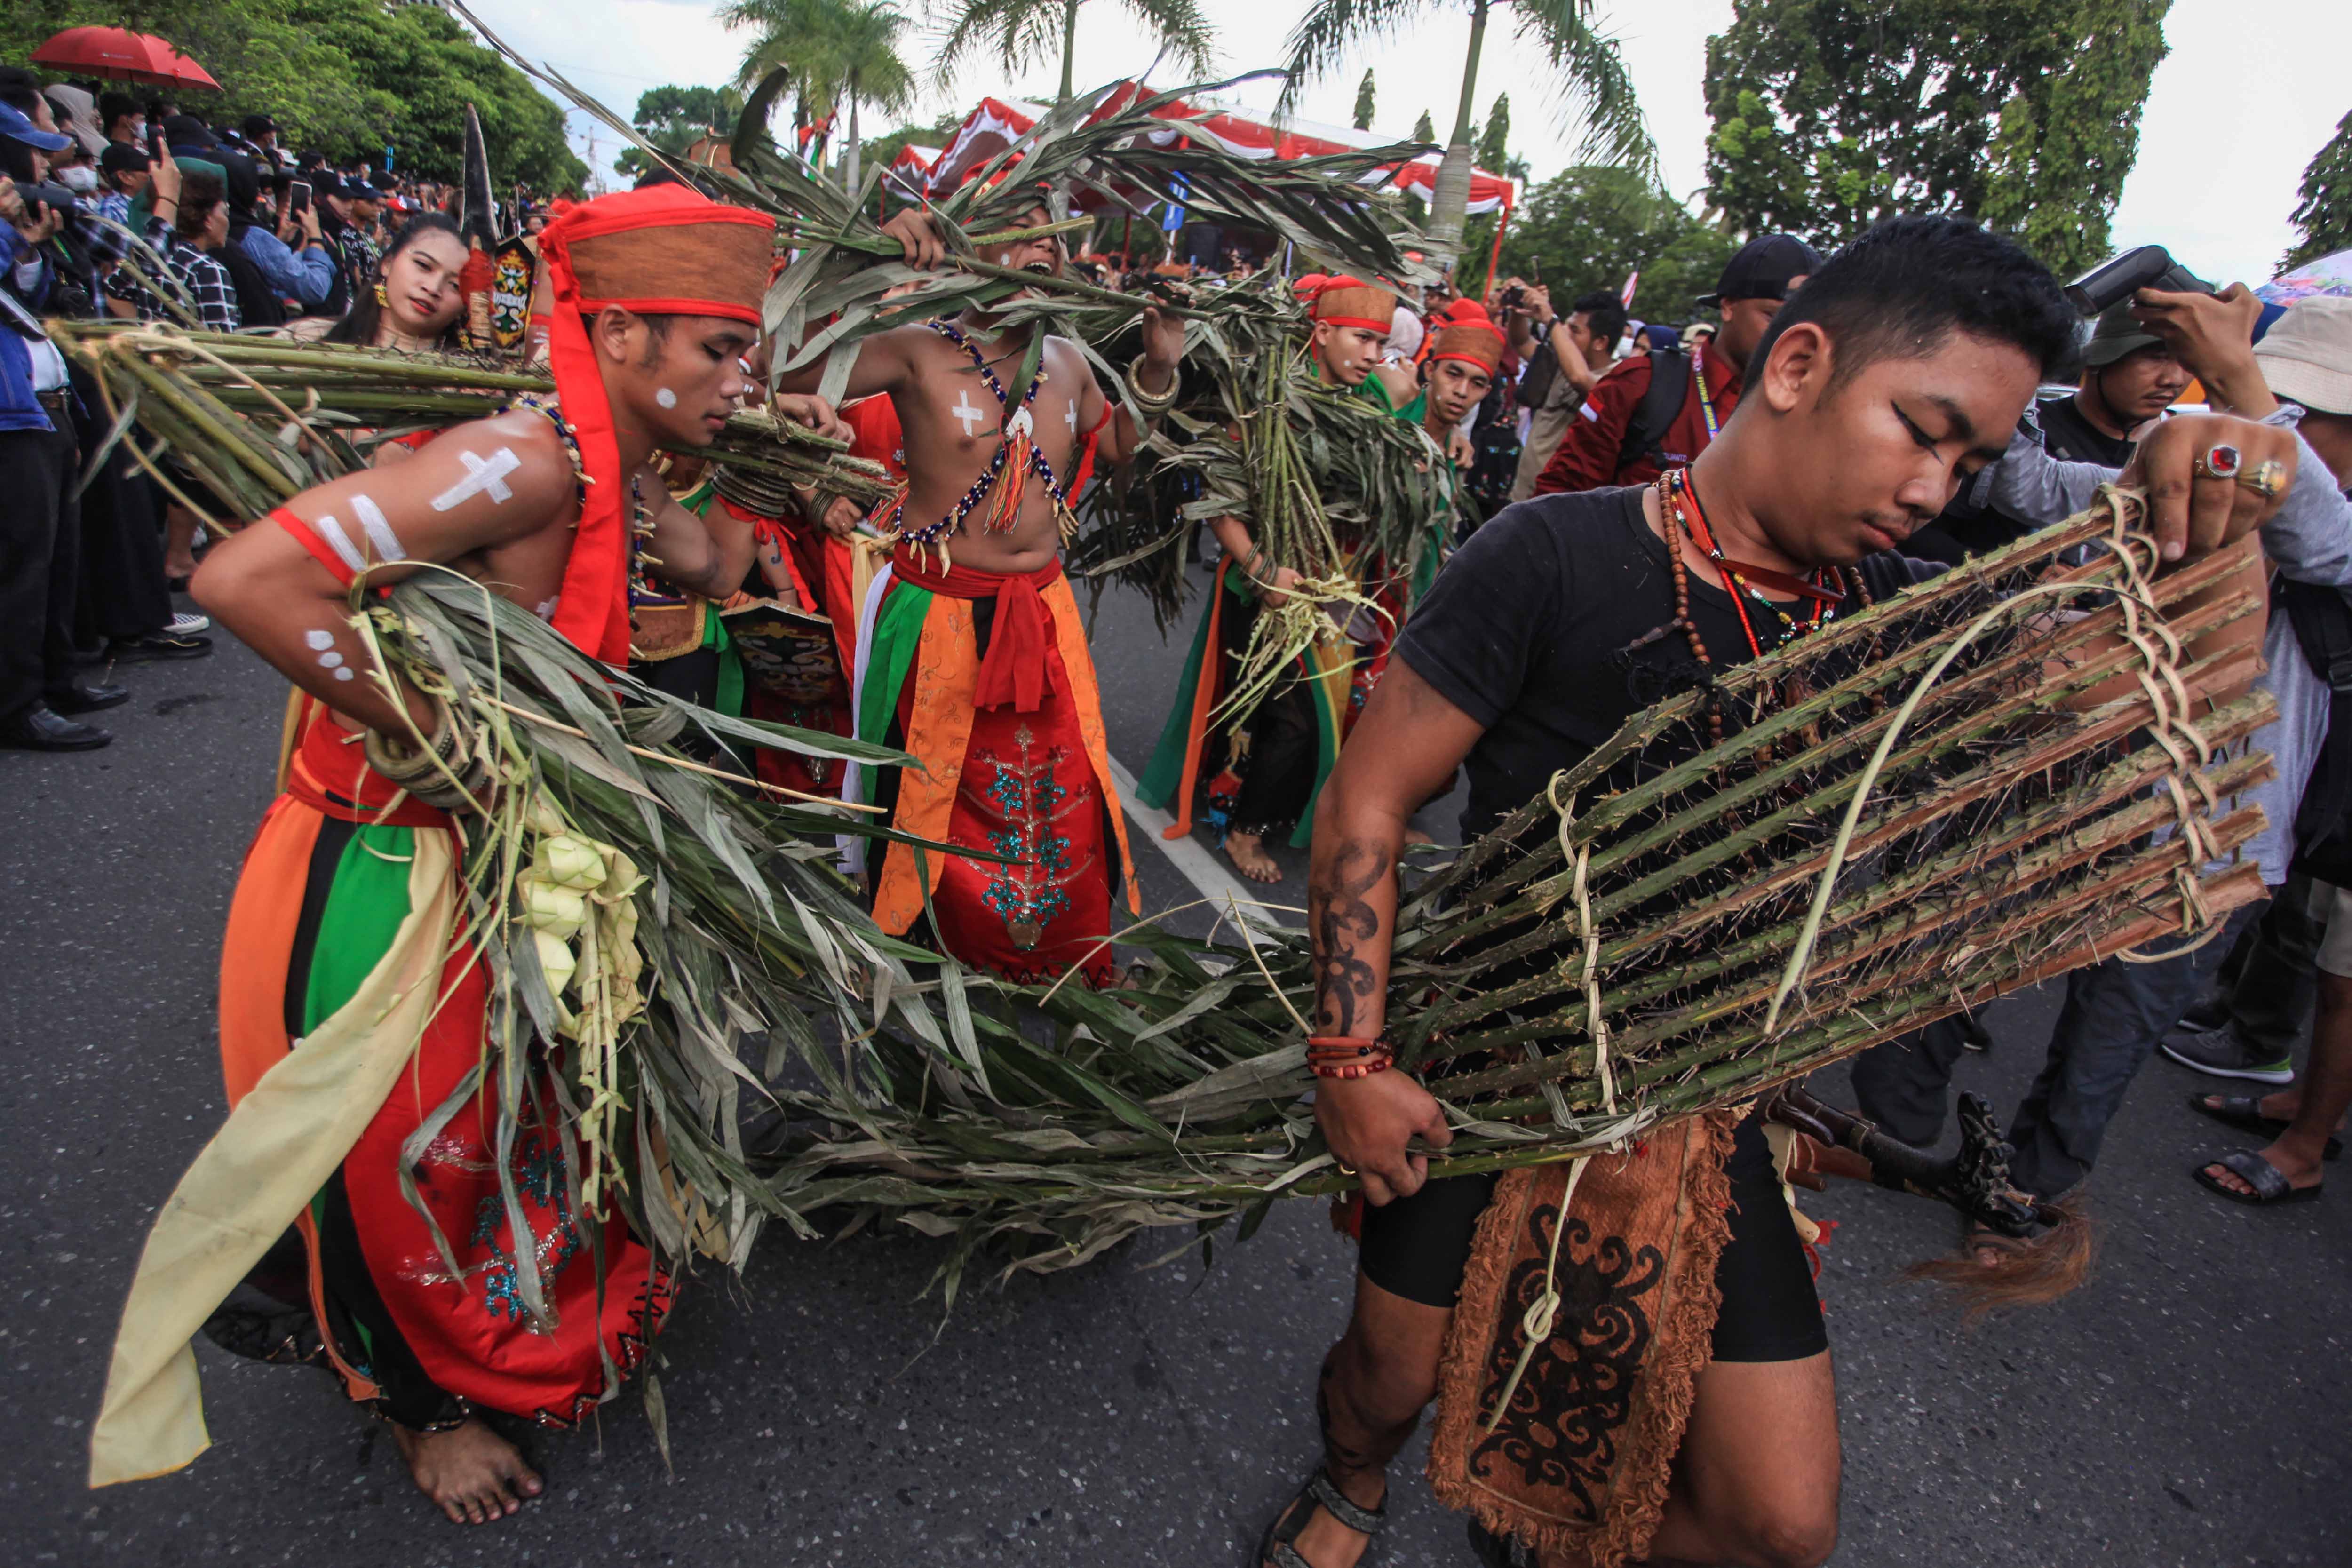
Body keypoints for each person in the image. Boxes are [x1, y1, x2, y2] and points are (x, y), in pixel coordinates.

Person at [1255, 215, 2292, 1568]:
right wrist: (1349, 1055)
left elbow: (2146, 651)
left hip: (1698, 1097)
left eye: (1971, 459)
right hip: (1494, 1058)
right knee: (1385, 1382)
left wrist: (2232, 435)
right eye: (1922, 430)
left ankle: (1564, 1532)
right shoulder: (1552, 555)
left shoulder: (1894, 624)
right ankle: (1350, 1484)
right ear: (1797, 364)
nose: (1936, 487)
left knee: (1781, 1523)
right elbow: (1370, 802)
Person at [87, 183, 849, 1522]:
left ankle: (488, 1313)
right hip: (385, 867)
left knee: (514, 1115)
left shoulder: (630, 462)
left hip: (506, 864)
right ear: (617, 337)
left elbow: (722, 565)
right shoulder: (526, 460)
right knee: (384, 1150)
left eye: (749, 350)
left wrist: (772, 452)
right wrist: (453, 743)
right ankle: (409, 1404)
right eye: (719, 350)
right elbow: (249, 581)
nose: (745, 374)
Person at [1854, 286, 2352, 1242]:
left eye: (2312, 416)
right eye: (2283, 407)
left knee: (2110, 1031)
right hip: (2063, 780)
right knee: (1948, 948)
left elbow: (2309, 525)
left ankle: (2022, 1190)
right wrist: (2024, 375)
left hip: (2206, 839)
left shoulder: (2318, 516)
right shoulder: (2178, 473)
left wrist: (2245, 396)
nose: (2284, 429)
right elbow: (2041, 493)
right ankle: (1885, 1131)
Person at [777, 198, 1178, 983]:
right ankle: (914, 953)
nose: (1045, 249)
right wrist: (861, 262)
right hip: (939, 615)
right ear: (967, 247)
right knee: (925, 788)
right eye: (1022, 233)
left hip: (1044, 615)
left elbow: (1125, 442)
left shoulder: (1068, 360)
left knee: (1056, 784)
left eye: (1056, 238)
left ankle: (1064, 952)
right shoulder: (917, 350)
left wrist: (1160, 364)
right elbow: (784, 365)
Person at [1136, 276, 1444, 884]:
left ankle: (1265, 810)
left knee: (1301, 718)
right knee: (1287, 718)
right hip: (1266, 586)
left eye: (1381, 343)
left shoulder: (1369, 402)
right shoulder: (1265, 400)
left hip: (1328, 592)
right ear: (1322, 332)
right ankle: (1244, 829)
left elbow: (1410, 430)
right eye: (1361, 339)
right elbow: (1221, 500)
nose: (1373, 355)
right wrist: (1261, 568)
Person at [0, 99, 130, 751]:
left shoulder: (21, 229)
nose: (43, 164)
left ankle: (58, 678)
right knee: (23, 563)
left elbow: (31, 298)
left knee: (56, 557)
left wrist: (31, 244)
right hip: (11, 417)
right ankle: (17, 704)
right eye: (29, 151)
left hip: (46, 406)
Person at [1534, 234, 1820, 496]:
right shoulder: (1642, 384)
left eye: (1802, 325)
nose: (1788, 336)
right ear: (1729, 306)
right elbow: (1559, 498)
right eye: (1774, 317)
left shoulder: (1803, 412)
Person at [1503, 286, 1624, 502]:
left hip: (1555, 505)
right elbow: (1521, 342)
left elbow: (1581, 379)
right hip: (1523, 496)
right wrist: (1518, 308)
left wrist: (1552, 322)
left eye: (1575, 330)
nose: (1566, 335)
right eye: (1566, 326)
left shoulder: (1616, 381)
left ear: (1600, 343)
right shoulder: (1561, 363)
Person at [302, 210, 467, 351]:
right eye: (423, 265)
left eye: (455, 285)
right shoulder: (303, 339)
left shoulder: (473, 376)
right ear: (388, 263)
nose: (433, 288)